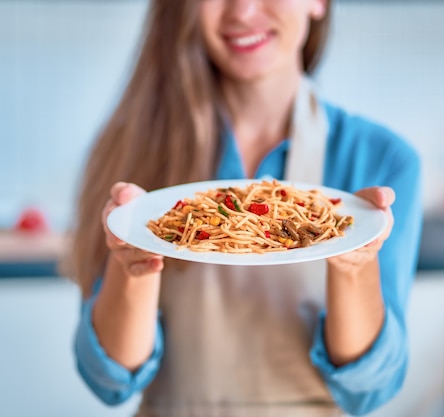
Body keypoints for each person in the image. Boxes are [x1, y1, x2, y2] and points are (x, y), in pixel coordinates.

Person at [66, 0, 422, 416]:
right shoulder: (134, 150)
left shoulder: (381, 158)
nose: (244, 9)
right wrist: (132, 268)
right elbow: (107, 379)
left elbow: (371, 388)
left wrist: (354, 266)